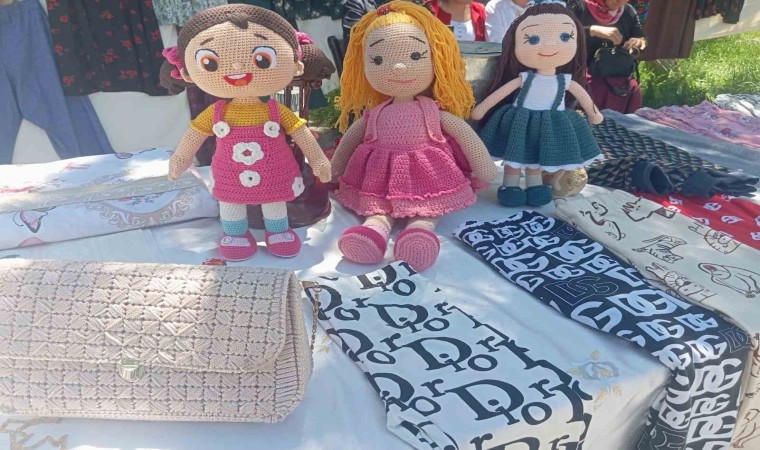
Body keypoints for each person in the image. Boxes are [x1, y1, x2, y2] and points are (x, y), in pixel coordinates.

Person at [332, 1, 496, 271]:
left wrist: (484, 167)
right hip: (380, 175)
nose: (398, 67)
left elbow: (464, 134)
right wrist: (334, 167)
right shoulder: (373, 114)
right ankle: (374, 231)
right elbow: (350, 139)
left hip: (427, 174)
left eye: (416, 56)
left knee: (426, 209)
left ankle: (419, 233)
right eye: (378, 60)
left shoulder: (434, 111)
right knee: (378, 209)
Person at [161, 5, 332, 261]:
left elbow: (301, 132)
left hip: (274, 172)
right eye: (211, 63)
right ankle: (236, 235)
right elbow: (194, 135)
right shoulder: (217, 112)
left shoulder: (277, 111)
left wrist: (318, 160)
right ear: (187, 73)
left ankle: (278, 232)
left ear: (295, 65)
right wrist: (180, 158)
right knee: (231, 203)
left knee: (274, 201)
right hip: (231, 173)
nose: (237, 66)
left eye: (262, 59)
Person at [471, 1, 603, 208]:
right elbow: (499, 94)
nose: (549, 46)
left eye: (564, 37)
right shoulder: (525, 78)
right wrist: (482, 108)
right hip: (520, 122)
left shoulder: (565, 81)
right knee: (514, 157)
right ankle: (510, 186)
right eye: (533, 39)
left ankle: (535, 187)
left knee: (535, 159)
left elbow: (585, 98)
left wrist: (594, 114)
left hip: (549, 125)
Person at [568, 0, 647, 113]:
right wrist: (593, 30)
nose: (619, 1)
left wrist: (639, 42)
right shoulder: (578, 6)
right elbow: (561, 33)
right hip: (579, 73)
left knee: (631, 87)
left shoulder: (628, 11)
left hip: (616, 77)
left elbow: (640, 37)